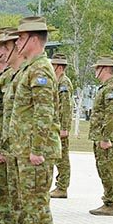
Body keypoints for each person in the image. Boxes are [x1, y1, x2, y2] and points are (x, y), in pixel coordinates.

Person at [3, 16, 59, 224]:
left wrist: (37, 148)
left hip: (35, 153)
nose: (17, 43)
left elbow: (44, 113)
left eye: (20, 38)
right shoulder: (29, 68)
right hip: (24, 149)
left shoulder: (40, 70)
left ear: (34, 40)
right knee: (29, 204)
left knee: (37, 205)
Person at [88, 56, 113, 216]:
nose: (95, 71)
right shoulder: (105, 88)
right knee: (103, 169)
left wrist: (105, 138)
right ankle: (108, 200)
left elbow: (111, 115)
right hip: (101, 136)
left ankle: (110, 203)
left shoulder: (111, 89)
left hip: (106, 138)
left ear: (105, 69)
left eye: (97, 68)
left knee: (108, 169)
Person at [50, 54, 74, 199]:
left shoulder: (64, 83)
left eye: (53, 65)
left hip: (60, 127)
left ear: (59, 67)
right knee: (58, 157)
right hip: (56, 126)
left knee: (62, 158)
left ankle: (62, 187)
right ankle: (60, 185)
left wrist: (64, 128)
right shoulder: (56, 82)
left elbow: (66, 107)